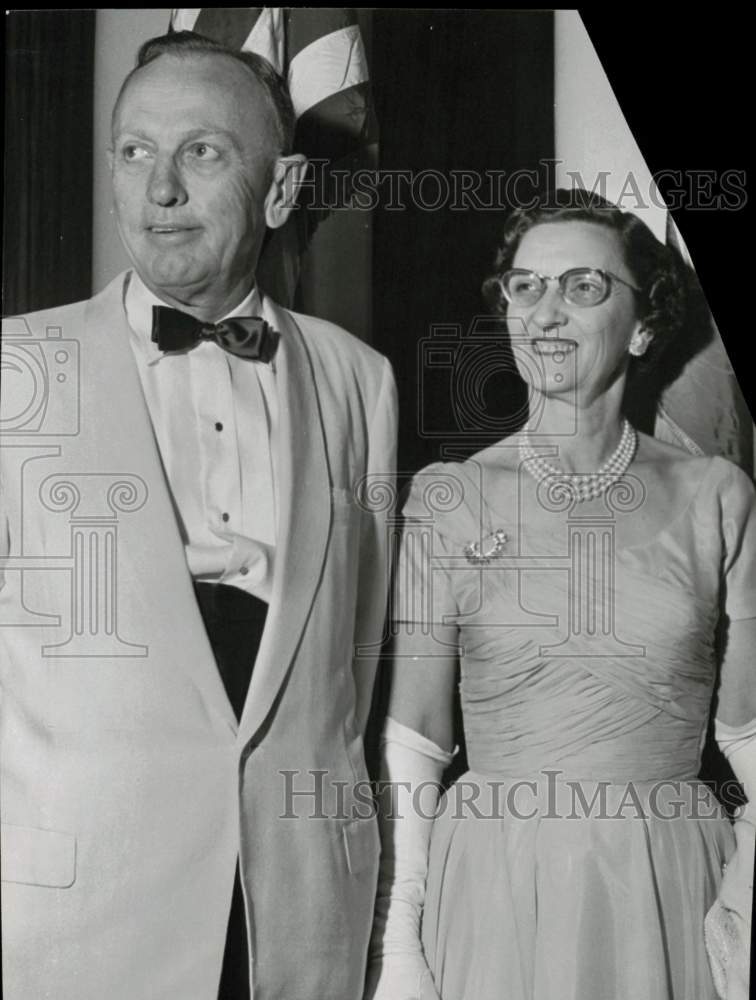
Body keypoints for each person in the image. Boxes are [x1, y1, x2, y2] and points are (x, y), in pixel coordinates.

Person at [0, 31, 396, 1000]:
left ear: (282, 188)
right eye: (134, 152)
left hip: (292, 921)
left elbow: (359, 663)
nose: (159, 189)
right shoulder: (16, 369)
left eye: (201, 152)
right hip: (76, 918)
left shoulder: (360, 380)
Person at [365, 189, 754, 1000]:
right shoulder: (448, 497)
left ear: (645, 325)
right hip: (495, 891)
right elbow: (416, 743)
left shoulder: (717, 495)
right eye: (526, 285)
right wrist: (397, 944)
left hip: (668, 884)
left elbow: (752, 741)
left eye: (582, 287)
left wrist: (745, 895)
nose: (545, 312)